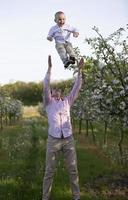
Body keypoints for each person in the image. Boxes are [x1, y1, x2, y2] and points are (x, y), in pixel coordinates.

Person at [42, 55, 84, 200]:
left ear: (61, 93)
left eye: (59, 90)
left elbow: (76, 87)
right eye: (54, 90)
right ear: (51, 93)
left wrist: (79, 71)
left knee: (73, 170)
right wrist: (49, 69)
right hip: (53, 141)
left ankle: (76, 197)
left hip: (68, 140)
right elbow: (46, 85)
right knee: (49, 171)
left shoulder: (67, 101)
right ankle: (45, 197)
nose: (57, 91)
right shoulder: (48, 103)